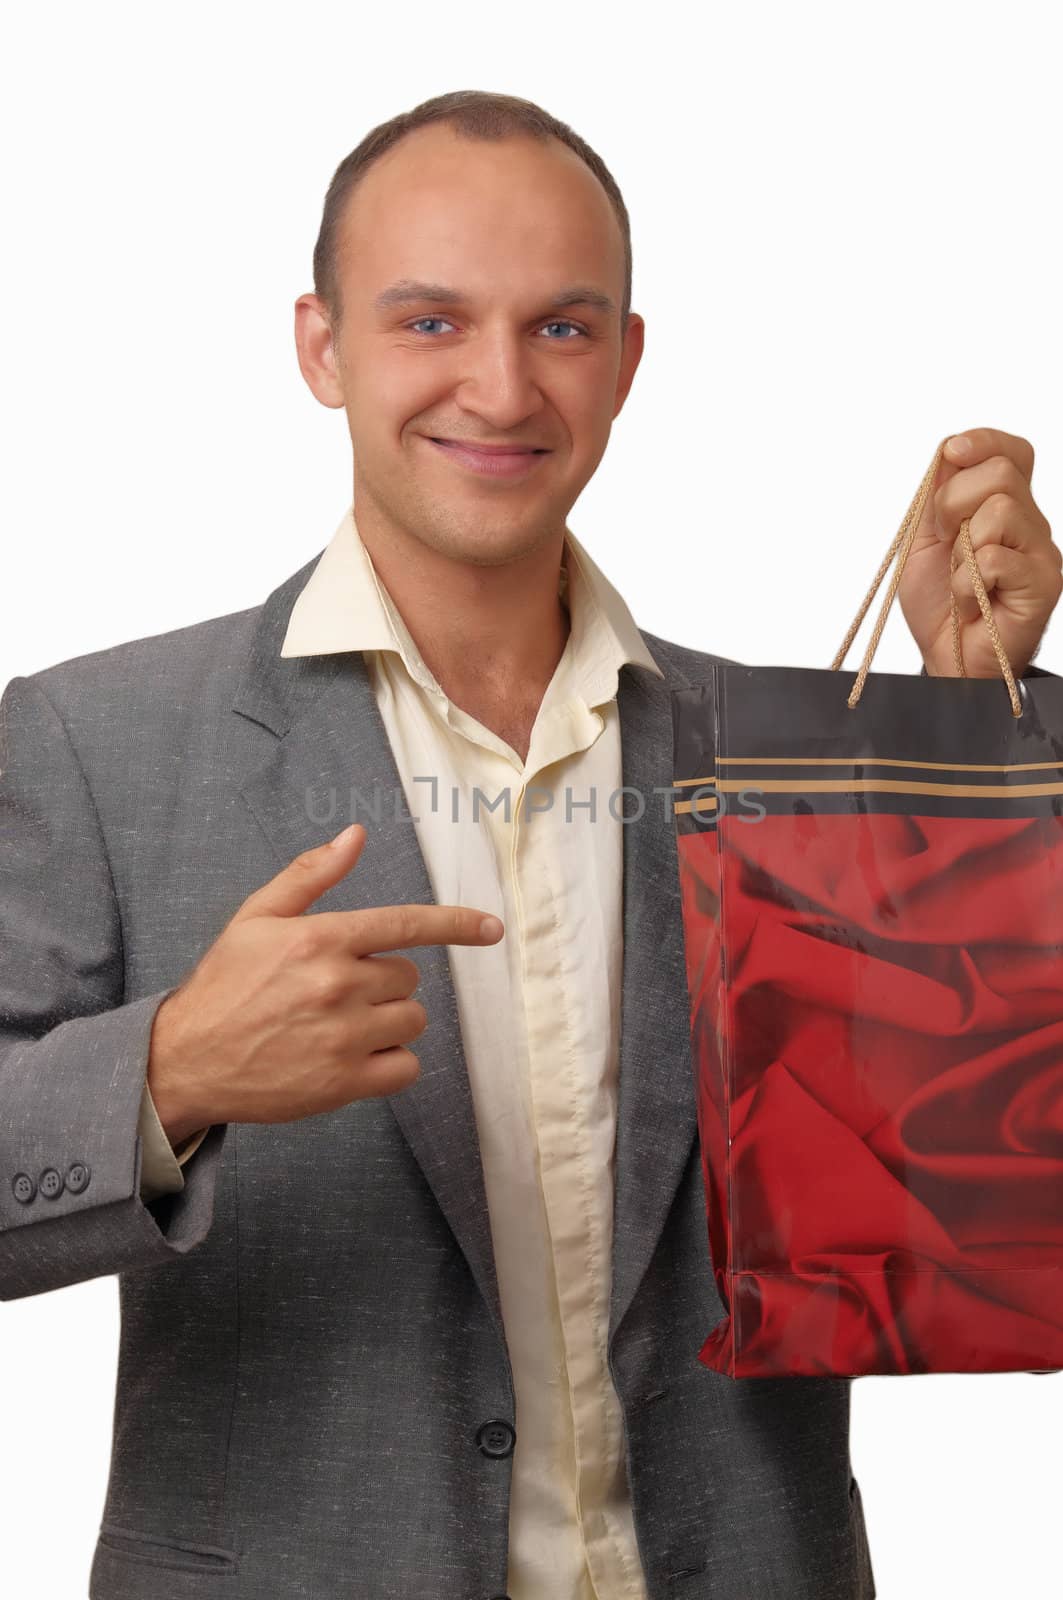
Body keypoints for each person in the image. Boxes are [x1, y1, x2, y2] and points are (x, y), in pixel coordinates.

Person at [1, 88, 1059, 1600]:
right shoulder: (92, 742)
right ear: (321, 346)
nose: (499, 389)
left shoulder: (774, 761)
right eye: (429, 322)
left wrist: (972, 741)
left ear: (627, 361)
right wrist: (165, 1076)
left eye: (561, 328)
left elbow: (959, 1186)